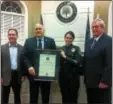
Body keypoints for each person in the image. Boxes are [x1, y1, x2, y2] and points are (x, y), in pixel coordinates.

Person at [22, 23, 56, 104]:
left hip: (46, 74)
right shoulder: (28, 41)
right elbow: (24, 55)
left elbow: (54, 56)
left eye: (40, 29)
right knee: (33, 97)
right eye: (36, 29)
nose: (38, 30)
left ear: (43, 30)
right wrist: (29, 66)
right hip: (33, 73)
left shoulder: (51, 41)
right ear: (34, 31)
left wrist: (54, 72)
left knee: (46, 97)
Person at [83, 18, 112, 104]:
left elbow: (110, 63)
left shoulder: (109, 41)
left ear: (103, 28)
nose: (94, 29)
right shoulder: (88, 42)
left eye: (96, 27)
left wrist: (105, 81)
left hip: (102, 83)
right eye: (92, 27)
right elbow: (86, 60)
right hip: (90, 82)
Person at [1, 28, 25, 104]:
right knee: (4, 98)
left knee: (17, 97)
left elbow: (23, 62)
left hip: (17, 75)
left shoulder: (22, 48)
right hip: (5, 76)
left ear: (17, 36)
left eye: (13, 34)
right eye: (9, 34)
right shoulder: (2, 48)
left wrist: (23, 74)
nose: (11, 36)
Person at [59, 31, 82, 104]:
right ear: (64, 38)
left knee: (73, 99)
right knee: (64, 98)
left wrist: (65, 57)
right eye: (66, 37)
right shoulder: (61, 49)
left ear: (73, 39)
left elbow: (77, 62)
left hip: (73, 79)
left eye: (70, 38)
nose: (68, 39)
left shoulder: (77, 48)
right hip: (63, 78)